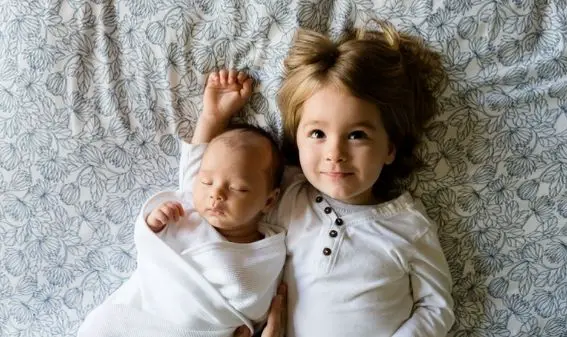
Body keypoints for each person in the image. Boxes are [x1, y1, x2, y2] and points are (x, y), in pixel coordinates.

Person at [201, 20, 455, 337]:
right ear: (297, 140)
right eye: (318, 133)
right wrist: (213, 118)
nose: (335, 153)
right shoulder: (284, 196)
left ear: (389, 148)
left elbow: (437, 307)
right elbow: (208, 187)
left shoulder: (408, 226)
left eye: (357, 135)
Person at [78, 70, 287, 337]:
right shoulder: (188, 207)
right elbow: (197, 157)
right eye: (207, 182)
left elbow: (255, 303)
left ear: (269, 200)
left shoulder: (266, 251)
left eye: (238, 188)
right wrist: (214, 115)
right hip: (142, 314)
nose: (216, 194)